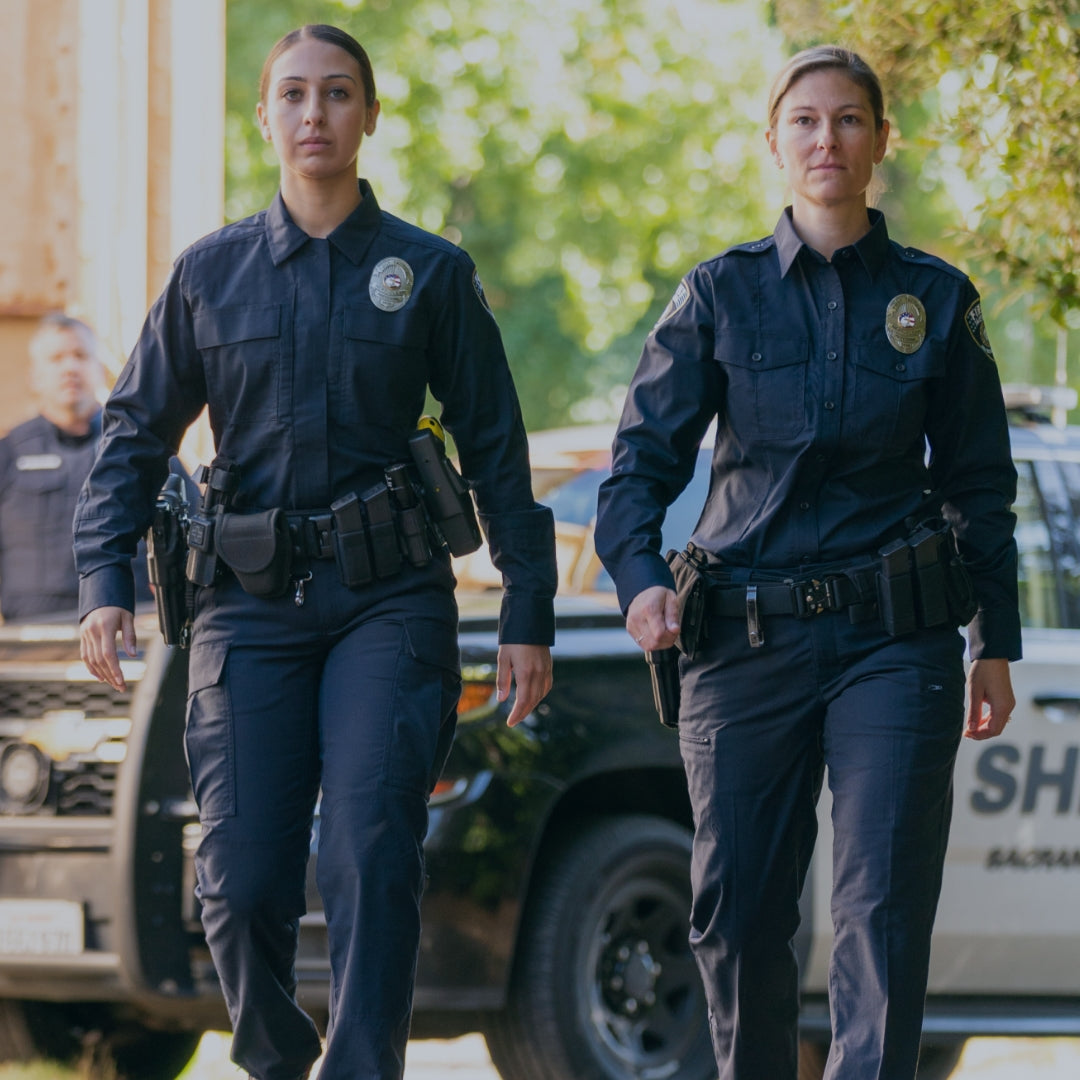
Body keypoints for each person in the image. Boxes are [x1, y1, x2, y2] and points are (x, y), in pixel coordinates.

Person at [75, 23, 556, 1080]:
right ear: (264, 117)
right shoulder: (212, 272)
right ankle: (277, 1059)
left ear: (369, 116)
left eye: (338, 94)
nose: (314, 115)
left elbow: (497, 450)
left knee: (370, 852)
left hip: (390, 604)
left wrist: (528, 610)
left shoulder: (428, 273)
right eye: (292, 94)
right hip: (247, 606)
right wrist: (104, 577)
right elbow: (133, 430)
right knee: (242, 878)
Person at [595, 46, 1019, 1080]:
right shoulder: (719, 296)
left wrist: (992, 643)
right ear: (775, 143)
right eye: (805, 121)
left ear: (882, 139)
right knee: (736, 909)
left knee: (879, 903)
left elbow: (979, 485)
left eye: (848, 120)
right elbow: (637, 465)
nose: (826, 139)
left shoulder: (937, 299)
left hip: (893, 641)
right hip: (746, 640)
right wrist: (639, 577)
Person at [0, 314, 112, 620]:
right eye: (56, 358)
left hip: (128, 638)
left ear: (100, 371)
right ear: (34, 377)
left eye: (80, 356)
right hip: (28, 644)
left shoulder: (137, 447)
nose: (70, 368)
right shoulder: (9, 452)